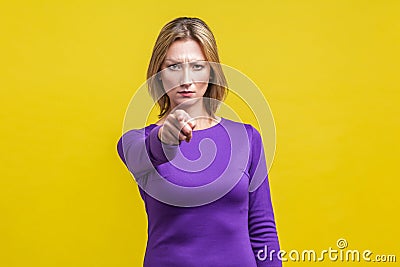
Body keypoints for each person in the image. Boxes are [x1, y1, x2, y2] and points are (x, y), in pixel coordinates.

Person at [117, 17, 282, 267]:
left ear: (211, 71)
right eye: (173, 67)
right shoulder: (136, 142)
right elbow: (146, 152)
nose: (186, 79)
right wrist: (167, 139)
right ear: (158, 75)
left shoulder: (247, 139)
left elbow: (262, 230)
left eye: (197, 66)